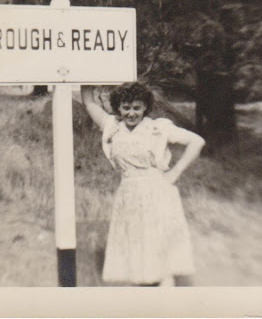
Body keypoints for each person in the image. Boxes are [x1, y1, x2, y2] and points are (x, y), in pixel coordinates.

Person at [81, 83, 205, 286]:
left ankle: (163, 296)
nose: (131, 113)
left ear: (145, 107)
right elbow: (89, 102)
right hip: (128, 194)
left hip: (156, 193)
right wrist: (86, 73)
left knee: (156, 250)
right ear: (118, 108)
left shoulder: (158, 128)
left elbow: (196, 141)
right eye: (126, 108)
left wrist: (175, 172)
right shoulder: (112, 126)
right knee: (137, 253)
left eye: (136, 108)